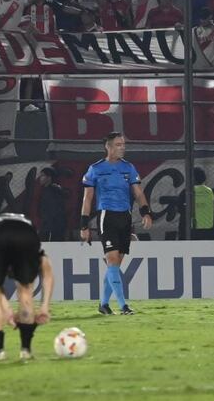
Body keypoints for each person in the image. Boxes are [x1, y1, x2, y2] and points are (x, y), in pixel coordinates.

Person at [80, 132, 153, 315]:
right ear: (109, 147)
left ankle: (103, 304)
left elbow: (138, 192)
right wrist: (84, 225)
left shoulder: (128, 168)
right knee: (112, 260)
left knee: (115, 264)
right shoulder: (95, 169)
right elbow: (87, 198)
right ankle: (123, 306)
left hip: (125, 218)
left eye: (123, 144)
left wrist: (145, 212)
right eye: (119, 144)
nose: (123, 147)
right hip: (107, 216)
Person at [0, 213, 54, 362]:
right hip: (26, 237)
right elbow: (47, 272)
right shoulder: (29, 226)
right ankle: (25, 351)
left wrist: (7, 310)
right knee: (25, 290)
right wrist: (44, 307)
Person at [38, 167, 67, 241]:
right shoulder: (49, 190)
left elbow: (53, 210)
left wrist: (48, 227)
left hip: (51, 227)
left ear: (49, 178)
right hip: (51, 226)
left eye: (42, 176)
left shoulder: (51, 191)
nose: (40, 178)